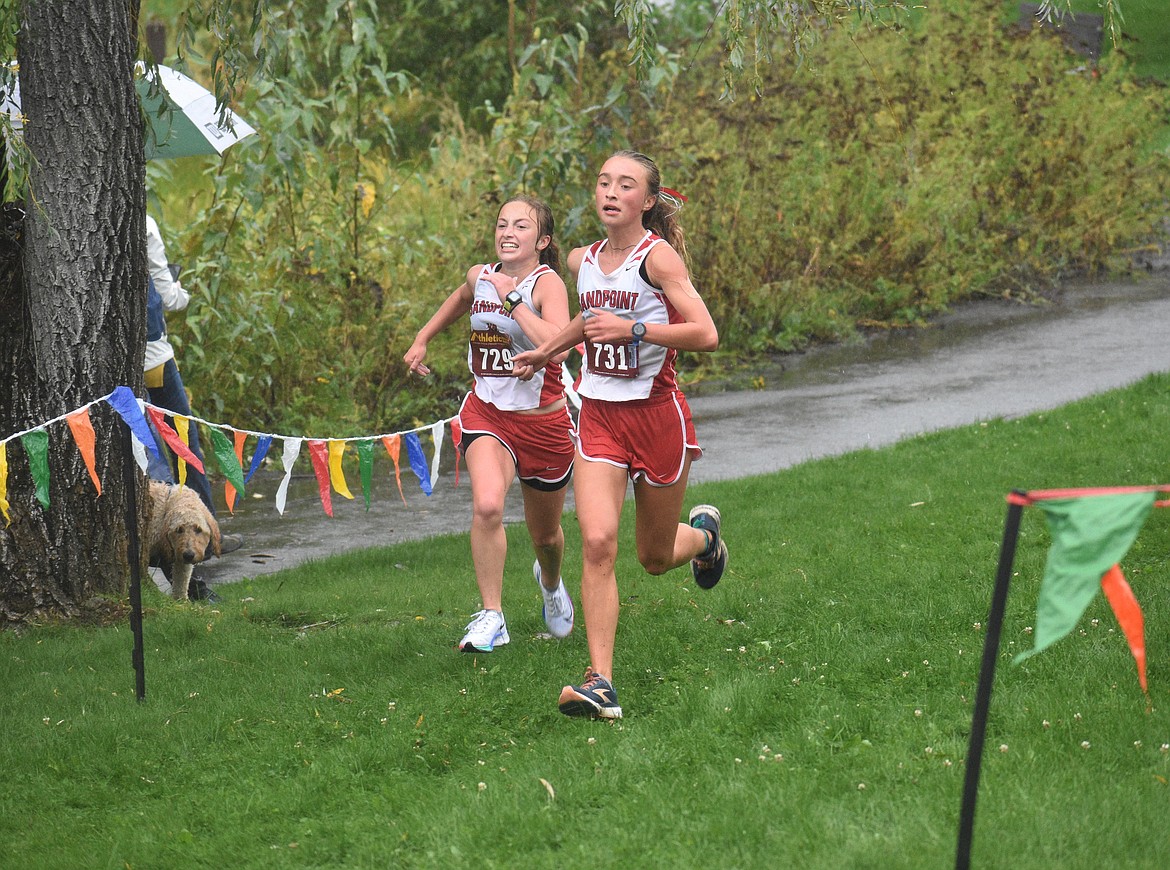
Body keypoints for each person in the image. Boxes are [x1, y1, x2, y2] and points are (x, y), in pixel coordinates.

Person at [511, 150, 729, 720]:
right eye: (604, 181)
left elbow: (705, 333)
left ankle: (704, 540)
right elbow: (587, 319)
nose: (610, 192)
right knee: (599, 542)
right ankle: (600, 682)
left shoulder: (657, 260)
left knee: (654, 557)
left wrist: (636, 328)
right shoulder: (584, 259)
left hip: (657, 418)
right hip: (602, 420)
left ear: (648, 201)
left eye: (625, 185)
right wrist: (545, 350)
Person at [404, 196, 577, 652]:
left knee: (546, 536)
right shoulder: (480, 277)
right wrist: (423, 338)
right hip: (487, 414)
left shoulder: (547, 285)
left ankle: (550, 581)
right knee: (486, 507)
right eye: (502, 224)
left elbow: (559, 349)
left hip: (543, 425)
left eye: (521, 226)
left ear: (541, 241)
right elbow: (461, 299)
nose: (508, 232)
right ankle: (492, 616)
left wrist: (514, 299)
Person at [144, 213, 241, 601]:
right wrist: (180, 284)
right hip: (157, 358)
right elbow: (171, 298)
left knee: (154, 460)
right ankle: (197, 552)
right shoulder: (145, 222)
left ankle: (205, 536)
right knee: (186, 446)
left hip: (121, 363)